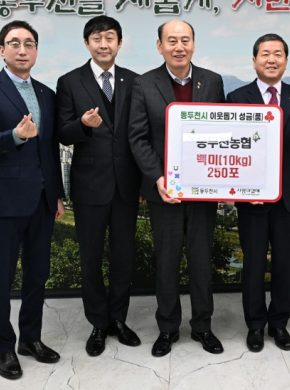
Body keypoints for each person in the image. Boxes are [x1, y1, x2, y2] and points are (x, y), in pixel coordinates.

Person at [0, 20, 65, 379]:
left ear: (36, 50)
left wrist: (56, 194)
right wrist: (14, 136)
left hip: (42, 199)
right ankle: (4, 348)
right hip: (5, 199)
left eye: (29, 43)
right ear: (2, 50)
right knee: (2, 277)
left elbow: (51, 150)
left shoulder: (46, 93)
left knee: (37, 274)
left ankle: (30, 339)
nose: (22, 50)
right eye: (14, 43)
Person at [128, 19, 225, 357]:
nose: (179, 47)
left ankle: (203, 326)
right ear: (160, 46)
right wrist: (158, 177)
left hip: (202, 190)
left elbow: (222, 132)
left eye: (185, 40)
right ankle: (168, 328)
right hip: (163, 191)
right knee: (167, 263)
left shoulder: (213, 81)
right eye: (171, 41)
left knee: (201, 261)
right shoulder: (143, 84)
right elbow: (138, 137)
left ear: (194, 44)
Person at [226, 34, 290, 353]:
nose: (271, 59)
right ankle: (255, 324)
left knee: (283, 264)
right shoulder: (236, 97)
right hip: (251, 198)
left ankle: (279, 323)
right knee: (253, 265)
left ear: (286, 61)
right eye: (265, 54)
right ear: (254, 61)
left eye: (278, 54)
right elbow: (229, 146)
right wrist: (239, 188)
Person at [55, 16, 142, 356]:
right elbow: (62, 133)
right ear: (87, 43)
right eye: (96, 38)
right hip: (89, 186)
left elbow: (141, 132)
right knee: (90, 259)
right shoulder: (69, 81)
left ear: (119, 43)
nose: (103, 44)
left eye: (110, 38)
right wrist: (82, 124)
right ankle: (97, 323)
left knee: (123, 257)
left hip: (127, 186)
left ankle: (118, 319)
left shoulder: (134, 80)